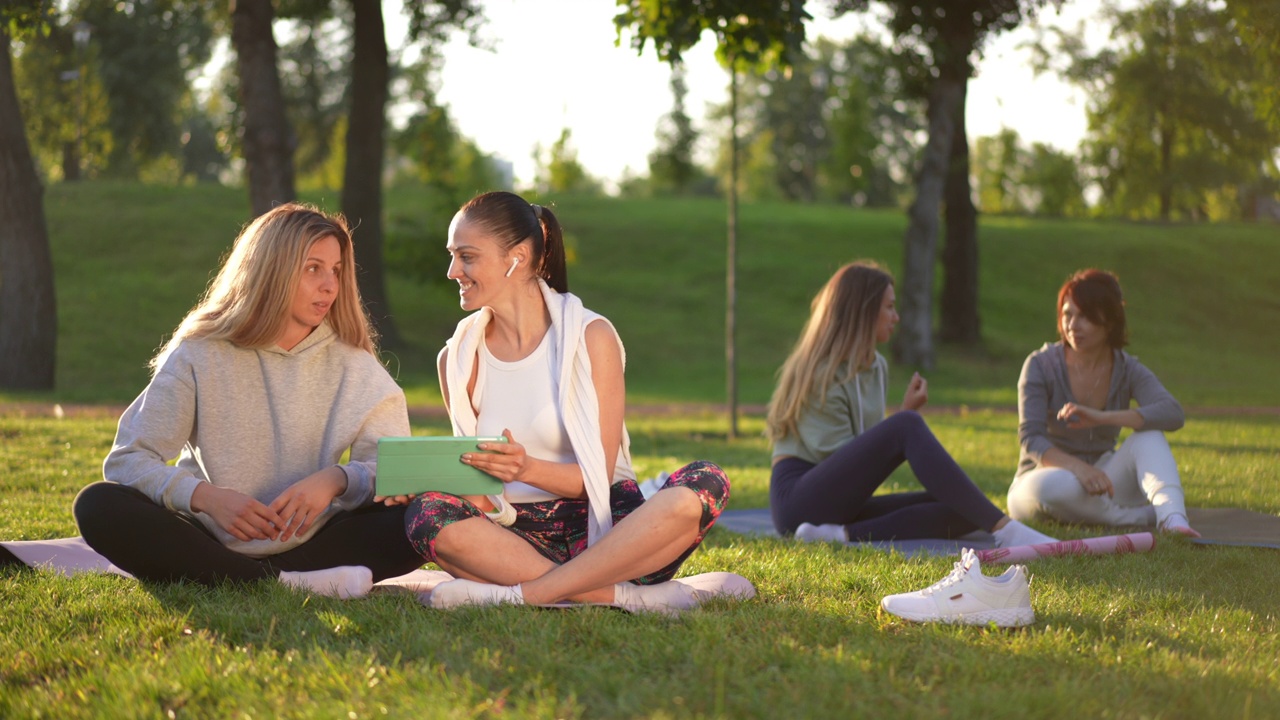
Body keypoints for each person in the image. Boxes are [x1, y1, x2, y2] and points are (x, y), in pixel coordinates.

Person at [8, 203, 425, 597]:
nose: (330, 285)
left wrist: (336, 480)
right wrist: (204, 498)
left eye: (335, 270)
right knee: (98, 505)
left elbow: (392, 474)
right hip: (208, 537)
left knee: (423, 517)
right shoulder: (200, 352)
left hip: (321, 540)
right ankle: (283, 582)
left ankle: (263, 578)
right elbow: (129, 459)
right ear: (271, 271)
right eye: (313, 268)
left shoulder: (357, 366)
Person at [387, 191, 742, 614]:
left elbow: (598, 476)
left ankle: (525, 595)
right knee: (426, 515)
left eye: (466, 256)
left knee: (705, 481)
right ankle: (624, 597)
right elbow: (482, 495)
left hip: (611, 530)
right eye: (452, 256)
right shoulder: (457, 358)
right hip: (516, 534)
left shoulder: (592, 338)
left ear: (516, 257)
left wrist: (525, 467)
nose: (452, 271)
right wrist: (432, 483)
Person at [765, 261, 1056, 547]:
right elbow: (842, 460)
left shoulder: (875, 366)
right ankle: (1006, 530)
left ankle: (838, 535)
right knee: (907, 426)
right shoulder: (822, 373)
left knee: (964, 506)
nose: (897, 317)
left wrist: (898, 426)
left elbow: (859, 461)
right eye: (889, 307)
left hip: (839, 503)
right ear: (864, 313)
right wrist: (901, 425)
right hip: (799, 503)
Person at [1006, 269, 1198, 536]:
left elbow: (1172, 413)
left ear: (1109, 320)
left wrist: (1101, 417)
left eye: (1084, 316)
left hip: (1103, 480)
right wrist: (1079, 469)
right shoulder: (1040, 365)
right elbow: (1031, 439)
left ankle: (1172, 518)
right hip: (1043, 479)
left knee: (1149, 437)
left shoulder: (1127, 368)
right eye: (1067, 314)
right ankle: (1135, 517)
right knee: (1055, 487)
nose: (1073, 325)